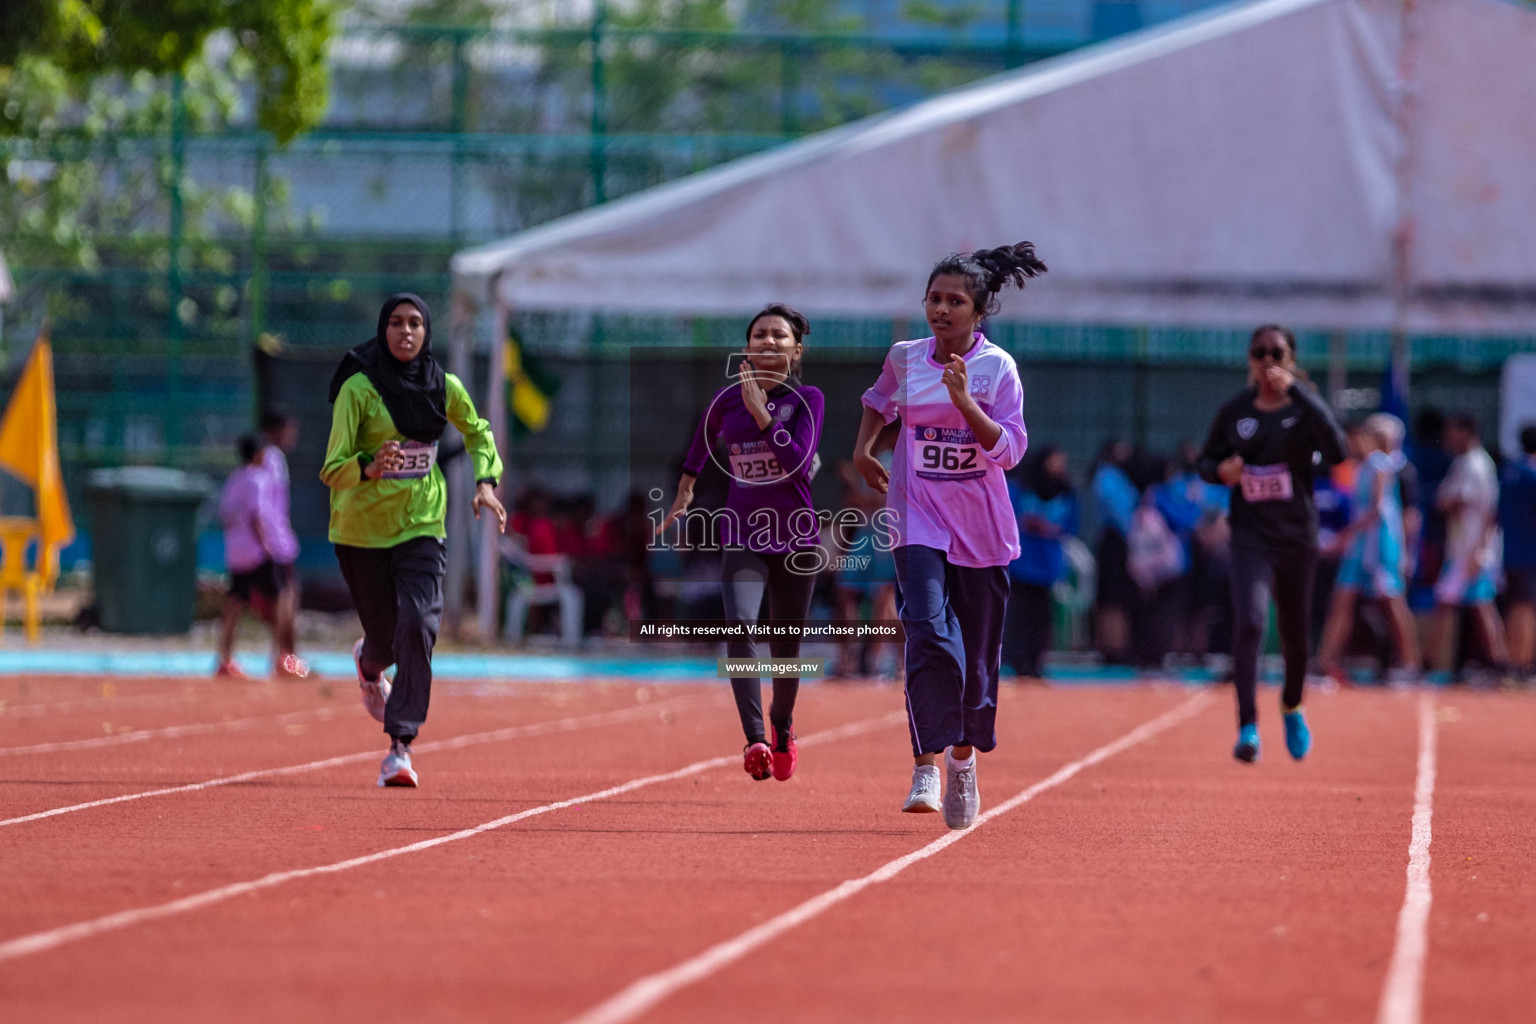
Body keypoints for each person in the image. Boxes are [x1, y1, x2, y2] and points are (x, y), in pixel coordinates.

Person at [853, 241, 1041, 829]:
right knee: (928, 633)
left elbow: (1010, 451)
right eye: (934, 298)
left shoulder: (997, 369)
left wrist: (966, 404)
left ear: (978, 312)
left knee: (979, 662)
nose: (941, 309)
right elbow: (877, 401)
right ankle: (926, 765)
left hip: (980, 529)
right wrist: (863, 451)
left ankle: (963, 759)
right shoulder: (905, 358)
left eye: (955, 300)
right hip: (917, 518)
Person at [322, 293, 505, 788]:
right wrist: (369, 466)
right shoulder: (358, 390)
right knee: (387, 641)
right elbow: (331, 468)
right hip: (361, 531)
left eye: (416, 323)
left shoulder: (444, 387)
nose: (406, 332)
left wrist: (486, 482)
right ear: (383, 329)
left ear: (427, 333)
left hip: (423, 523)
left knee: (420, 623)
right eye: (397, 323)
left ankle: (399, 747)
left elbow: (479, 433)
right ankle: (367, 661)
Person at [659, 304, 823, 782]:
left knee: (787, 650)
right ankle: (754, 739)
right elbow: (700, 443)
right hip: (743, 536)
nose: (768, 341)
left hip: (796, 540)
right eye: (759, 335)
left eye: (779, 335)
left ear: (796, 350)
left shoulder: (808, 398)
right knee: (741, 627)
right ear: (747, 347)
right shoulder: (725, 401)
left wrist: (764, 418)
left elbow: (797, 461)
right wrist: (685, 491)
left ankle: (782, 725)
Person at [1196, 324, 1346, 763]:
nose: (1267, 362)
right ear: (1249, 360)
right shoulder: (1236, 411)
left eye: (1276, 354)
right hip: (1250, 536)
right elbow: (1206, 460)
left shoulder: (1304, 409)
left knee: (1297, 635)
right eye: (1259, 353)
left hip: (1297, 535)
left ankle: (1293, 705)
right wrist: (1222, 470)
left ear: (1291, 359)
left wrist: (1300, 393)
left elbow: (1337, 452)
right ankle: (1247, 727)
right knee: (1251, 622)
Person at [1316, 413, 1419, 683]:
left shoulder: (1380, 465)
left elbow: (1376, 510)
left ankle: (1410, 665)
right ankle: (1325, 663)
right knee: (1342, 600)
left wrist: (1342, 537)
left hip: (1379, 546)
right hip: (1360, 546)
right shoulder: (1363, 466)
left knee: (1392, 603)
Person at [1426, 413, 1508, 681]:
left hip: (1471, 551)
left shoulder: (1474, 465)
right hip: (1463, 549)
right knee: (1466, 605)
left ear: (1466, 432)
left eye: (1452, 431)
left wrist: (1478, 552)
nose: (1448, 437)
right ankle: (1496, 663)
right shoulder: (1465, 462)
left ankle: (1500, 663)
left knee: (1476, 606)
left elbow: (1480, 510)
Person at [1003, 444, 1077, 681]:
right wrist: (1028, 524)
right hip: (1022, 561)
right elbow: (1009, 516)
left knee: (1042, 618)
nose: (1059, 467)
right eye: (1055, 460)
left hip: (1048, 564)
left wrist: (1051, 528)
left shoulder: (1066, 492)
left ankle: (1036, 661)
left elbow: (1071, 525)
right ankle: (1016, 660)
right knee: (1019, 614)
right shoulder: (1020, 487)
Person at [216, 436, 288, 678]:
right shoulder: (257, 479)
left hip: (236, 552)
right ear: (257, 454)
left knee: (234, 603)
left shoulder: (233, 479)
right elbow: (256, 515)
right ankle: (280, 658)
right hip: (257, 551)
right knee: (280, 598)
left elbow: (225, 516)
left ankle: (224, 658)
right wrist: (267, 546)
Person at [256, 409, 309, 678]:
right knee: (285, 598)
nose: (292, 436)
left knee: (288, 597)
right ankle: (284, 659)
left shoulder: (274, 458)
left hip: (281, 540)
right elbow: (263, 503)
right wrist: (270, 539)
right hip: (277, 543)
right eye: (288, 430)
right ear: (275, 431)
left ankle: (286, 658)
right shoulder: (271, 459)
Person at [1091, 439, 1138, 665]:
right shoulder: (1108, 477)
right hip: (1115, 541)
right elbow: (1121, 514)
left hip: (1118, 540)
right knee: (1112, 598)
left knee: (1115, 598)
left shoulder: (1115, 476)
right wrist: (1134, 536)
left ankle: (1114, 645)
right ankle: (1112, 646)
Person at [1498, 425, 1536, 679]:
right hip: (1531, 552)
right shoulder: (1532, 475)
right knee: (1527, 608)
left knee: (1516, 606)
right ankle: (1522, 665)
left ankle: (1512, 662)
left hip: (1511, 550)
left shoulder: (1509, 471)